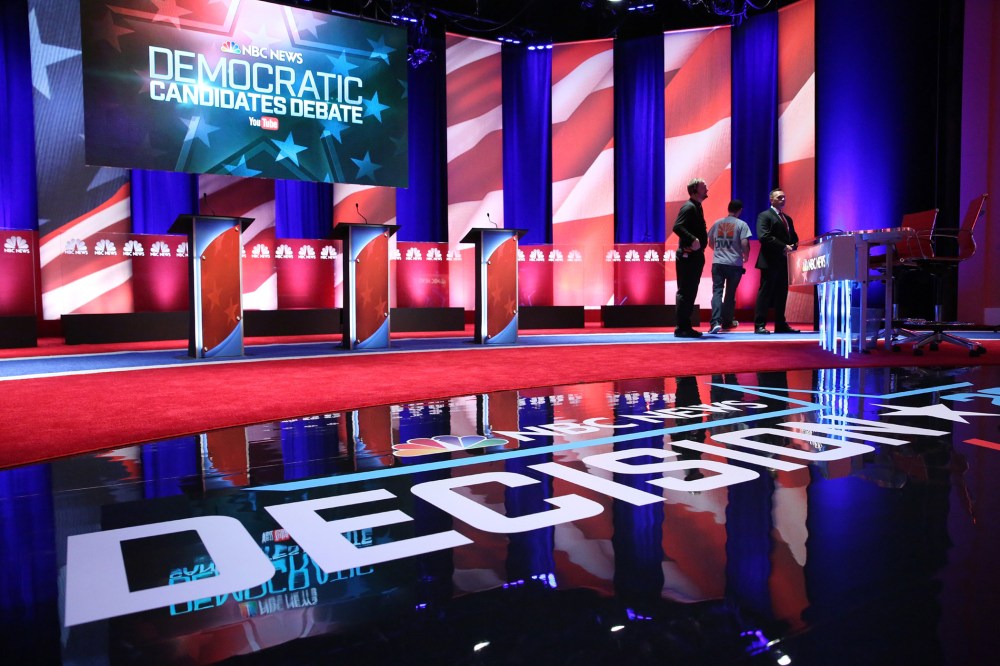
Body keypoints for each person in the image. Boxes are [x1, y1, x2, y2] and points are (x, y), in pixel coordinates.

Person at [753, 188, 800, 334]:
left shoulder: (787, 218)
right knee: (766, 293)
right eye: (779, 197)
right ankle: (759, 324)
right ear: (771, 200)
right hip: (769, 261)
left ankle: (780, 324)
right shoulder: (765, 216)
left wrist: (793, 245)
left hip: (784, 262)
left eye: (784, 197)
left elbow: (794, 237)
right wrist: (783, 247)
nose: (783, 200)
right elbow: (763, 236)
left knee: (782, 293)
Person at [707, 200, 751, 334]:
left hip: (718, 263)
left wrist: (719, 252)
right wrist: (746, 255)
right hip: (734, 264)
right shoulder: (742, 224)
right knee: (730, 294)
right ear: (740, 210)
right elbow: (744, 243)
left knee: (717, 292)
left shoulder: (717, 223)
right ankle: (726, 321)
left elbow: (710, 243)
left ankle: (715, 322)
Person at [672, 178, 709, 338]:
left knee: (690, 291)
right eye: (703, 187)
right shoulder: (689, 207)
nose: (706, 188)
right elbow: (677, 227)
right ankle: (681, 327)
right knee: (686, 291)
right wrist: (693, 240)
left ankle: (685, 326)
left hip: (694, 257)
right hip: (688, 257)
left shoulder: (697, 207)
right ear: (695, 191)